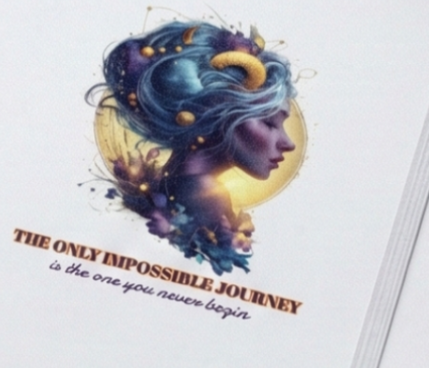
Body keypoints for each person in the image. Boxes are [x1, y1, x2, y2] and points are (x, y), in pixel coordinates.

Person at [95, 20, 298, 274]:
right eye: (269, 123)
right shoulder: (205, 196)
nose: (288, 143)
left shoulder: (178, 183)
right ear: (218, 116)